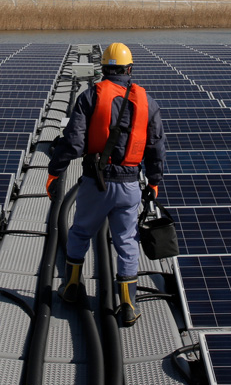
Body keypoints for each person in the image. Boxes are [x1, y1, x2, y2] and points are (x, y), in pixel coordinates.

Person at [46, 42, 166, 326]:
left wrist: (55, 171)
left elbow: (74, 143)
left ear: (103, 69)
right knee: (126, 241)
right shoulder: (147, 102)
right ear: (129, 69)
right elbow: (156, 147)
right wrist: (155, 181)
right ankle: (127, 303)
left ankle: (72, 287)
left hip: (95, 183)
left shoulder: (90, 97)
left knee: (79, 233)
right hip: (129, 186)